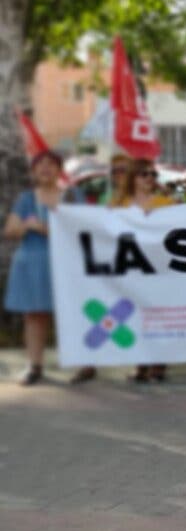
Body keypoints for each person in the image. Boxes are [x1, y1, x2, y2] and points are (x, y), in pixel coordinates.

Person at [3, 151, 81, 385]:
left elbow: (79, 228)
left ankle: (84, 364)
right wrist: (36, 226)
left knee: (75, 315)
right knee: (34, 315)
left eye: (51, 164)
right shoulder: (27, 198)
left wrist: (37, 226)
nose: (46, 169)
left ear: (59, 170)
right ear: (34, 171)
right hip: (33, 262)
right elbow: (11, 229)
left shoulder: (72, 195)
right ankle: (34, 364)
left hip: (67, 262)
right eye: (41, 165)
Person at [110, 158, 175, 382]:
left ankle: (158, 365)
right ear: (133, 178)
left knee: (157, 316)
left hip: (159, 267)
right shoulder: (120, 203)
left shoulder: (165, 203)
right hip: (131, 268)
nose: (149, 178)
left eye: (152, 174)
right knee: (137, 316)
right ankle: (141, 364)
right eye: (144, 174)